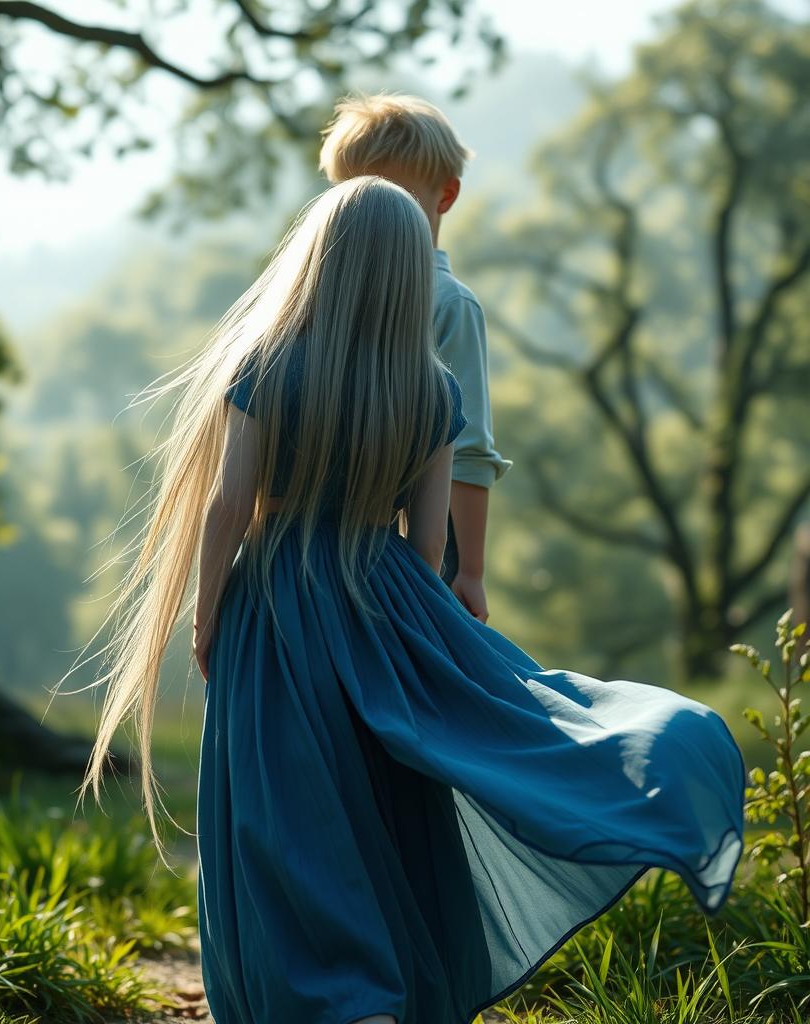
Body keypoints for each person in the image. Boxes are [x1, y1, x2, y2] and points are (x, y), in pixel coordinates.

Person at [82, 177, 745, 1024]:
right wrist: (414, 633)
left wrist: (208, 615)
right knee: (391, 795)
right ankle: (388, 984)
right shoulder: (433, 392)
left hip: (278, 601)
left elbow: (228, 505)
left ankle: (338, 995)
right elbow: (429, 545)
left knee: (284, 804)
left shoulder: (264, 366)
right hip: (382, 592)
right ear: (406, 275)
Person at [319, 92, 512, 622]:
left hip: (344, 555)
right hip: (378, 559)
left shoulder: (314, 298)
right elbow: (469, 448)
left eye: (395, 199)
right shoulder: (445, 302)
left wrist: (465, 569)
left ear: (445, 195)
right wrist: (468, 572)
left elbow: (464, 450)